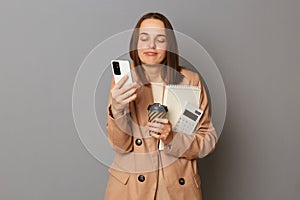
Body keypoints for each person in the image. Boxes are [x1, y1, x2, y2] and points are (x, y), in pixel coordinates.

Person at [104, 12, 217, 200]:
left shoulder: (190, 81)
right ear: (135, 44)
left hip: (177, 188)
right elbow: (119, 146)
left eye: (160, 39)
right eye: (144, 38)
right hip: (131, 189)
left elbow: (207, 140)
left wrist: (172, 137)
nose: (151, 46)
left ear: (169, 45)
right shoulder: (124, 80)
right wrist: (116, 110)